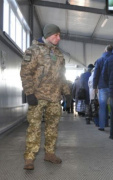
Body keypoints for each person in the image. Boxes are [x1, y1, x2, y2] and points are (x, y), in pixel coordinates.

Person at [20, 24, 71, 170]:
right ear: (48, 34)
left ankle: (50, 154)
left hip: (55, 97)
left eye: (59, 35)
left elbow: (62, 75)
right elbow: (25, 73)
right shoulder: (33, 50)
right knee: (34, 127)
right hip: (37, 95)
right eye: (56, 35)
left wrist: (66, 92)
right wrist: (29, 93)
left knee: (52, 127)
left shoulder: (59, 54)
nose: (58, 38)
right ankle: (29, 158)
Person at [93, 45, 113, 131]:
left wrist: (95, 86)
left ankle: (102, 126)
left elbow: (96, 74)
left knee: (102, 107)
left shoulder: (100, 60)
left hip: (102, 87)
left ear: (105, 50)